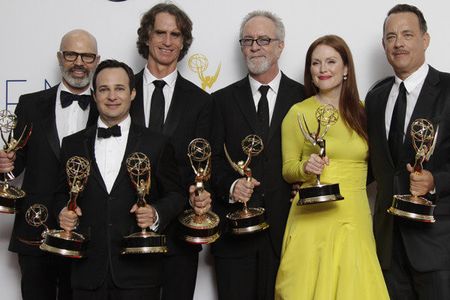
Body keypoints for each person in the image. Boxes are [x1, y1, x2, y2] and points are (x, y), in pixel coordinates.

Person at [56, 59, 185, 299]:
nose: (112, 96)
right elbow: (58, 195)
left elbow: (176, 195)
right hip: (86, 272)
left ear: (133, 93)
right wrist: (61, 212)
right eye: (104, 89)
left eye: (120, 88)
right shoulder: (72, 144)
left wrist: (155, 213)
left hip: (138, 275)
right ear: (94, 95)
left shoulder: (156, 143)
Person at [274, 34, 389, 300]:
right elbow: (288, 168)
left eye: (331, 61)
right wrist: (306, 168)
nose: (323, 69)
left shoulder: (364, 112)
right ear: (310, 71)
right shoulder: (297, 112)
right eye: (316, 63)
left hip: (353, 217)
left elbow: (380, 165)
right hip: (311, 217)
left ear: (346, 68)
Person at [210, 10, 304, 300]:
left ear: (280, 45)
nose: (254, 46)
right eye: (248, 40)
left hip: (290, 232)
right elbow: (208, 159)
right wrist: (230, 186)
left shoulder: (304, 98)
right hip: (235, 235)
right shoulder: (219, 101)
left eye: (263, 39)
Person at [0, 29, 100, 300]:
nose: (79, 62)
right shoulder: (30, 104)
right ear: (59, 57)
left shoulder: (108, 107)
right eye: (71, 54)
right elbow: (15, 166)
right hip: (35, 227)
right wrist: (5, 164)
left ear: (97, 61)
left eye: (87, 56)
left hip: (85, 230)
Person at [365, 4, 450, 299]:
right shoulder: (375, 98)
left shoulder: (449, 89)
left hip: (437, 246)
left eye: (407, 34)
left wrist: (435, 181)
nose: (398, 43)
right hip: (388, 245)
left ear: (425, 40)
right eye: (390, 37)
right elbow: (373, 166)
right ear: (384, 45)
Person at [131, 3, 212, 300]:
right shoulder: (120, 92)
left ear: (183, 40)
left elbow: (203, 165)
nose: (167, 41)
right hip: (127, 229)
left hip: (180, 233)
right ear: (147, 37)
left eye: (175, 34)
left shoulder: (201, 102)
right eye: (160, 33)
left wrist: (201, 191)